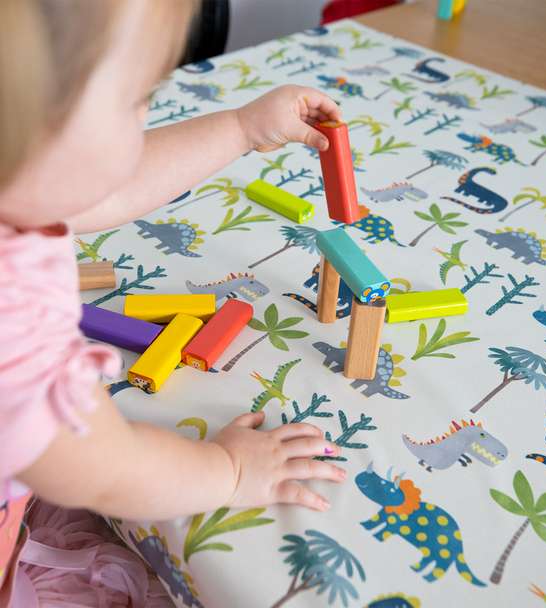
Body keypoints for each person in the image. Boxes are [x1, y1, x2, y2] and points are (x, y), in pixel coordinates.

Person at [0, 1, 346, 605]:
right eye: (139, 96)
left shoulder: (20, 181)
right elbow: (109, 468)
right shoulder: (13, 324)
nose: (147, 110)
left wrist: (241, 128)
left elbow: (101, 189)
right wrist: (230, 471)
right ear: (41, 130)